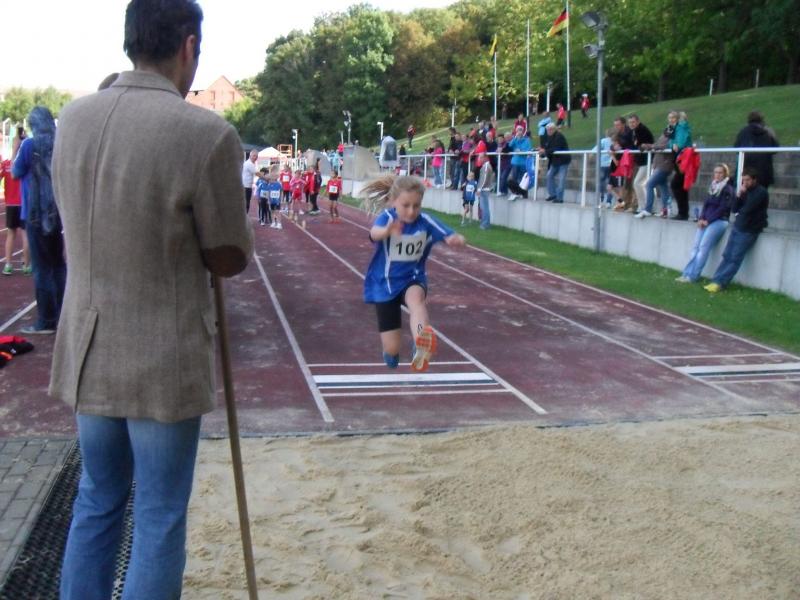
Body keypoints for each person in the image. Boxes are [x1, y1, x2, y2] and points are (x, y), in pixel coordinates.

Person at [51, 2, 253, 599]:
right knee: (160, 515)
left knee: (97, 499)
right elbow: (229, 255)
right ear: (188, 46)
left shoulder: (72, 119)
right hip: (163, 357)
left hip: (88, 349)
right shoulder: (205, 133)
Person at [361, 175, 465, 372]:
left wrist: (454, 238)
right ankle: (390, 353)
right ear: (393, 202)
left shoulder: (425, 221)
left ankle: (421, 342)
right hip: (384, 284)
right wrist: (387, 231)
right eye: (406, 205)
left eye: (416, 206)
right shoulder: (388, 218)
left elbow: (449, 234)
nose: (411, 211)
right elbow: (374, 234)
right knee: (392, 349)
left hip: (413, 278)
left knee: (416, 299)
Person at [12, 107, 66, 335]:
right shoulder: (61, 143)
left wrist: (16, 149)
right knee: (58, 265)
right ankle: (63, 314)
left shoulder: (29, 145)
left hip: (34, 212)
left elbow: (15, 172)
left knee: (41, 268)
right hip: (56, 212)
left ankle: (46, 320)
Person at [704, 167, 768, 293]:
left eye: (748, 180)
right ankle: (716, 280)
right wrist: (739, 195)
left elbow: (748, 208)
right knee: (727, 255)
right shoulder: (745, 191)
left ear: (754, 180)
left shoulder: (761, 192)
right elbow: (734, 209)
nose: (745, 183)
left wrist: (743, 202)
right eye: (743, 180)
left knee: (735, 258)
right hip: (738, 226)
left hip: (749, 229)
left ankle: (721, 283)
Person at [676, 164, 735, 283]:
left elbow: (723, 208)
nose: (717, 175)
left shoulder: (727, 189)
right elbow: (706, 205)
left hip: (719, 221)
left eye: (720, 173)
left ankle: (693, 276)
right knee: (695, 247)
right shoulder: (713, 186)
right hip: (705, 220)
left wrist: (708, 220)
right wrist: (701, 218)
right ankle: (687, 273)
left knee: (703, 247)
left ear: (725, 174)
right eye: (716, 172)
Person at [1, 148, 31, 275]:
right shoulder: (27, 163)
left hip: (11, 204)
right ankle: (26, 266)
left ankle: (8, 264)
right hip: (24, 203)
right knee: (26, 235)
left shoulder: (6, 164)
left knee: (11, 234)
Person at [733, 111, 779, 188]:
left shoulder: (743, 132)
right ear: (761, 120)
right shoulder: (768, 132)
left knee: (745, 192)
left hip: (746, 170)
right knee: (762, 192)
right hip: (764, 170)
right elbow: (775, 149)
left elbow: (736, 149)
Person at [669, 111, 693, 220]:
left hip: (683, 159)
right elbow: (671, 143)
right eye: (670, 118)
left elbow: (681, 143)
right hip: (679, 159)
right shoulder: (673, 129)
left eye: (673, 117)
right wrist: (673, 145)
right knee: (680, 186)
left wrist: (676, 145)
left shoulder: (681, 128)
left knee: (676, 184)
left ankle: (683, 213)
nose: (671, 120)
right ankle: (683, 213)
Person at [627, 114, 654, 211]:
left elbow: (642, 144)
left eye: (633, 122)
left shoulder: (642, 130)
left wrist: (639, 147)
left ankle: (643, 206)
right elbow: (629, 143)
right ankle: (645, 206)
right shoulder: (633, 131)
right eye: (630, 122)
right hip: (642, 161)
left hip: (648, 160)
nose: (631, 124)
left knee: (638, 183)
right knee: (643, 184)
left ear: (638, 121)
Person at [540, 123, 571, 203]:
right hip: (555, 161)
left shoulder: (559, 136)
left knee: (561, 179)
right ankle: (553, 194)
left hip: (563, 161)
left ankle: (559, 198)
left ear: (554, 129)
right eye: (547, 130)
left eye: (550, 129)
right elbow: (548, 149)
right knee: (549, 176)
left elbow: (556, 148)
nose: (548, 131)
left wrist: (545, 151)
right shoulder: (549, 138)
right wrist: (542, 152)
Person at [506, 125, 532, 200]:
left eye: (520, 130)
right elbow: (510, 145)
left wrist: (521, 151)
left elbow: (528, 149)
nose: (519, 132)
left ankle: (524, 194)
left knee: (522, 179)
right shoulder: (515, 139)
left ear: (523, 131)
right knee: (513, 179)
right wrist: (515, 138)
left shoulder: (526, 140)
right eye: (517, 130)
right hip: (515, 162)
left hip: (523, 162)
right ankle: (516, 192)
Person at [477, 150, 495, 230]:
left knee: (484, 208)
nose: (479, 159)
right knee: (483, 207)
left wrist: (479, 189)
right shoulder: (486, 166)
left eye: (480, 157)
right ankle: (485, 223)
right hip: (484, 189)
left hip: (484, 189)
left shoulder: (486, 166)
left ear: (485, 158)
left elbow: (484, 179)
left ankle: (485, 224)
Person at [241, 149, 258, 215]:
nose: (255, 157)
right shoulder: (249, 164)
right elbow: (257, 173)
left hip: (246, 186)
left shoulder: (250, 163)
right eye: (254, 156)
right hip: (246, 187)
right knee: (246, 203)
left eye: (256, 156)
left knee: (246, 202)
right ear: (250, 156)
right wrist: (266, 178)